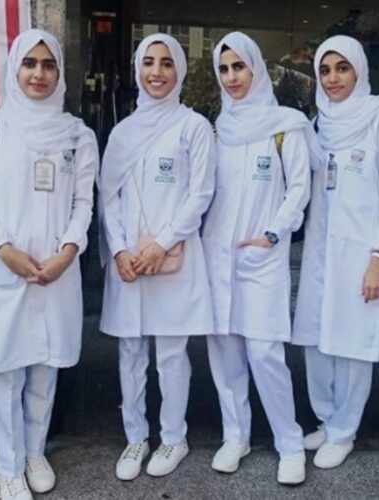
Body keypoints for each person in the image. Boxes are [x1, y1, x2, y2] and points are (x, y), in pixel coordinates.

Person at [0, 29, 98, 500]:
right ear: (14, 69)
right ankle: (9, 465)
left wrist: (68, 251)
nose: (38, 73)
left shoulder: (77, 135)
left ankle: (35, 451)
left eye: (48, 64)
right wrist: (4, 249)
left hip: (56, 270)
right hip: (4, 268)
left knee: (45, 366)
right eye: (29, 63)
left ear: (60, 72)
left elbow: (84, 201)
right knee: (5, 371)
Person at [99, 33, 216, 481]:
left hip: (171, 257)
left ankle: (173, 437)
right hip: (129, 260)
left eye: (167, 62)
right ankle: (135, 437)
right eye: (148, 62)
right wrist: (119, 249)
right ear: (137, 69)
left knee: (170, 352)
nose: (156, 72)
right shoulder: (123, 132)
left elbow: (200, 195)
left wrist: (161, 243)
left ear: (179, 70)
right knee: (130, 351)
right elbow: (108, 196)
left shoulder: (193, 127)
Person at [202, 31, 314, 485]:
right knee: (224, 352)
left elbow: (299, 189)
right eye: (224, 69)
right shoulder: (217, 129)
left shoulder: (285, 125)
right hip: (218, 255)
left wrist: (272, 234)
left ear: (256, 68)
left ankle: (290, 442)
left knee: (266, 353)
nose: (232, 77)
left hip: (262, 257)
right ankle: (236, 435)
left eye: (239, 67)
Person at [292, 35, 379, 469]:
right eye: (325, 70)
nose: (333, 78)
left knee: (353, 343)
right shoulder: (316, 124)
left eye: (342, 68)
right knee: (316, 338)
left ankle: (344, 430)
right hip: (321, 249)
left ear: (359, 70)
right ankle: (326, 419)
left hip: (363, 252)